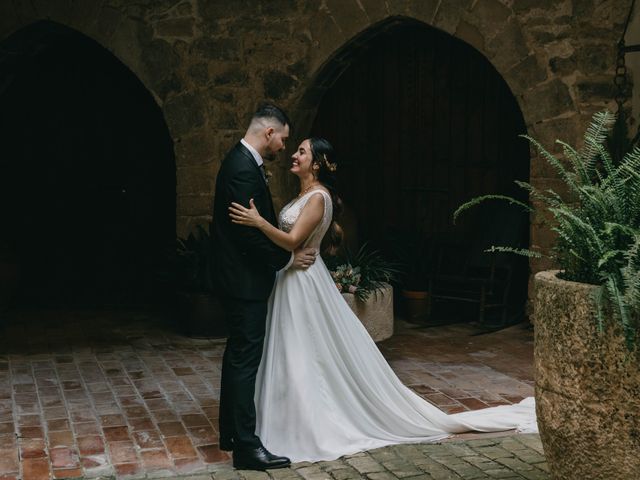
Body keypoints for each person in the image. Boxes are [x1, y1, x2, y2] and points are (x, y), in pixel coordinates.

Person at [228, 137, 538, 463]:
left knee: (304, 350)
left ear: (316, 163)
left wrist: (258, 222)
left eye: (302, 151)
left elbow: (292, 240)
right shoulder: (304, 194)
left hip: (304, 282)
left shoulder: (319, 197)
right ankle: (282, 418)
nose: (294, 155)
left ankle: (308, 423)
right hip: (292, 279)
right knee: (290, 349)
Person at [212, 104, 318, 470]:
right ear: (269, 133)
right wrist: (288, 261)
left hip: (237, 279)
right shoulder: (243, 168)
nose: (283, 149)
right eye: (283, 140)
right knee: (244, 361)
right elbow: (249, 239)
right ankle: (245, 446)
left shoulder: (241, 161)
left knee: (236, 356)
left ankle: (229, 432)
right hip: (244, 282)